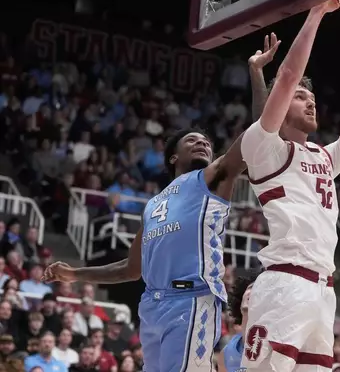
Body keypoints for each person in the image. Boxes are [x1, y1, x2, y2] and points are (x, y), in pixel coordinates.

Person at [42, 36, 281, 372]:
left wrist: (256, 72)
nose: (202, 142)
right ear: (173, 156)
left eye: (206, 142)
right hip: (153, 305)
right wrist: (75, 274)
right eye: (192, 140)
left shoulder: (211, 178)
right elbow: (130, 269)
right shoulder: (154, 204)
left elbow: (260, 134)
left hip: (192, 300)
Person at [239, 0, 340, 372]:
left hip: (323, 292)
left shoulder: (326, 157)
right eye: (301, 98)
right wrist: (317, 11)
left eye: (313, 99)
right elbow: (288, 76)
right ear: (280, 102)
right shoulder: (263, 148)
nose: (311, 104)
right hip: (284, 286)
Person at [217, 269, 261, 372]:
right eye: (250, 287)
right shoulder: (226, 353)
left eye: (258, 289)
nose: (252, 292)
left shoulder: (274, 347)